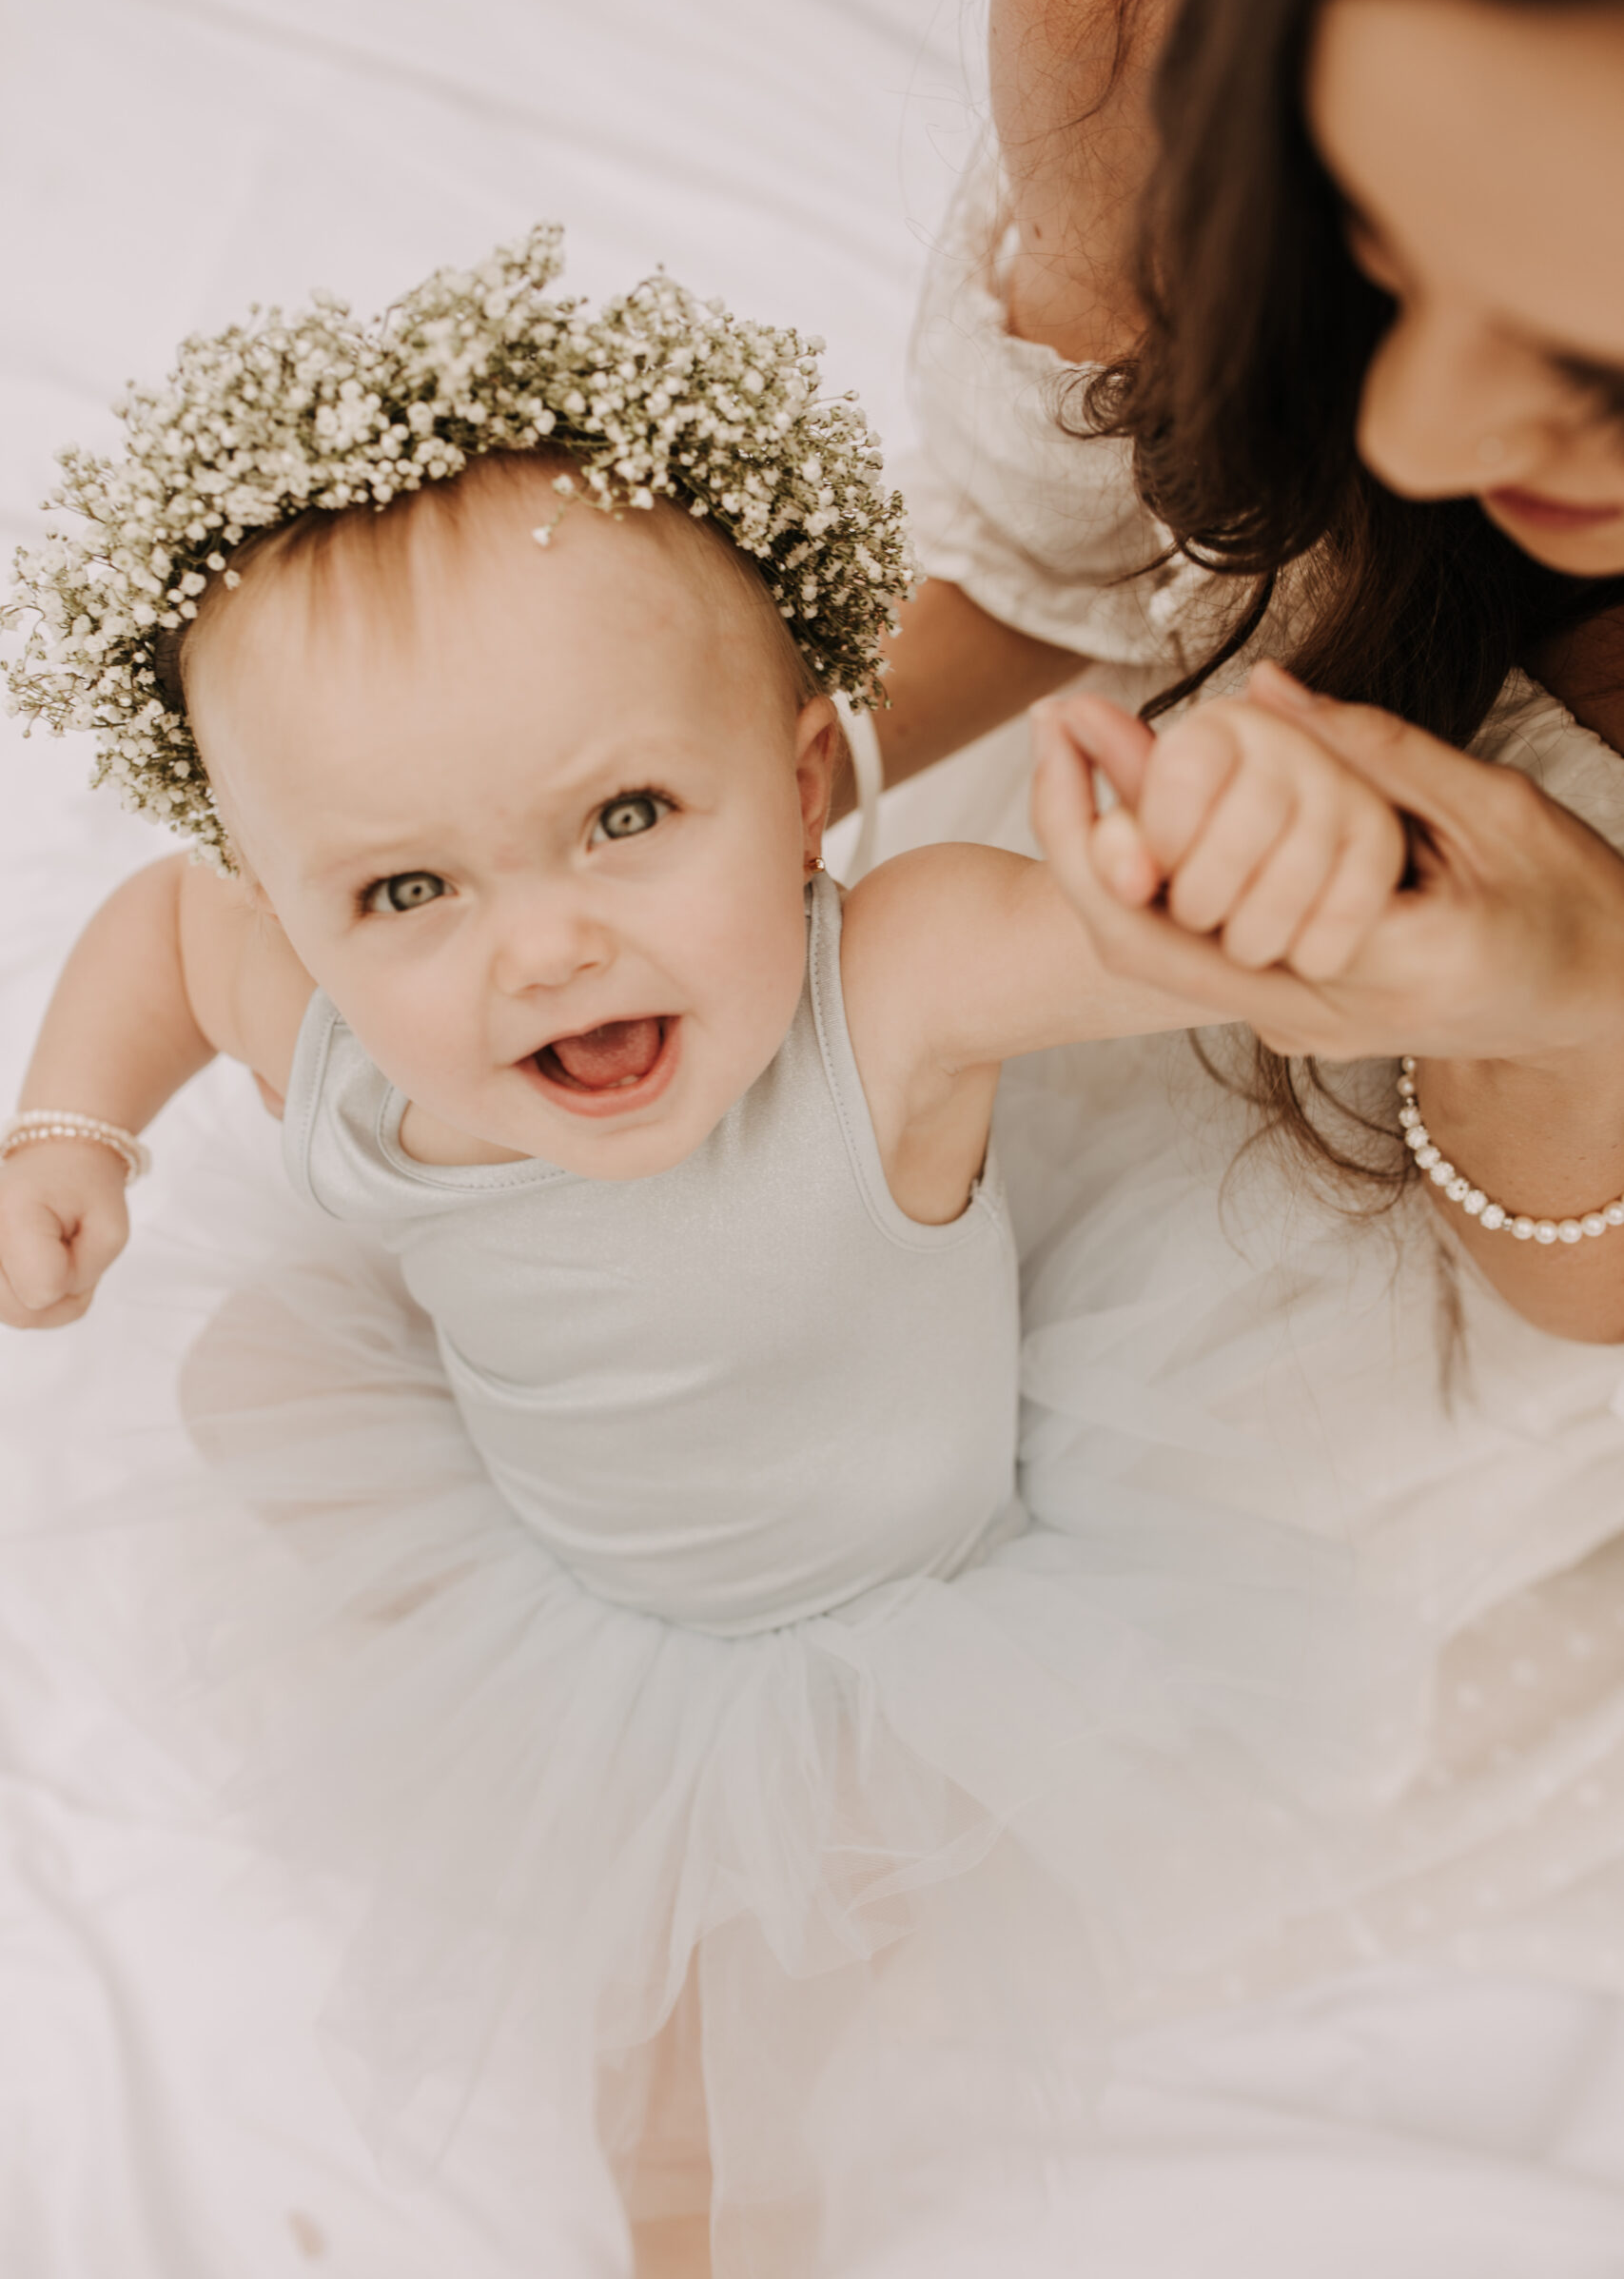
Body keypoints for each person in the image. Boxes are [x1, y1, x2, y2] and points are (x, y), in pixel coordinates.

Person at [0, 229, 1408, 2277]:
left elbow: (1104, 945)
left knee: (779, 1984)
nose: (541, 940)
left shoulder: (890, 987)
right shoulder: (319, 1029)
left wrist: (1208, 884)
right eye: (403, 883)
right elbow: (153, 924)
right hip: (570, 1547)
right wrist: (73, 1126)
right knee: (644, 2030)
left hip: (853, 1610)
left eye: (629, 814)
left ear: (809, 783)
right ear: (295, 911)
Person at [824, 0, 1624, 2043]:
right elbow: (1056, 562)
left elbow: (1563, 1301)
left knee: (890, 1839)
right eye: (1372, 253)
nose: (1414, 434)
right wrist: (690, 792)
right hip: (1024, 978)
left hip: (1442, 1309)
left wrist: (1559, 981)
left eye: (1590, 364)